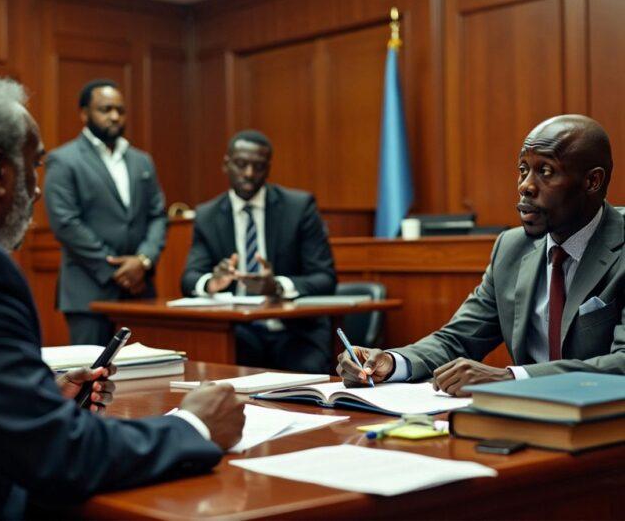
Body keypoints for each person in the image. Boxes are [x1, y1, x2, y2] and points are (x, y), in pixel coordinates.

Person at [0, 71, 244, 520]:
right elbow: (58, 456)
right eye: (33, 166)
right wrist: (192, 425)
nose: (37, 189)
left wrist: (32, 400)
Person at [338, 114, 625, 395]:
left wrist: (511, 377)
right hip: (528, 418)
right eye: (523, 169)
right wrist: (391, 363)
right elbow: (458, 339)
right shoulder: (512, 248)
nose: (525, 186)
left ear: (592, 182)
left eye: (546, 171)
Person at [181, 129, 337, 373]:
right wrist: (213, 282)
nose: (249, 174)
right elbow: (189, 279)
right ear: (226, 164)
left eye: (258, 167)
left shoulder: (298, 207)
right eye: (241, 165)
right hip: (238, 334)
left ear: (269, 168)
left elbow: (325, 278)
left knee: (306, 385)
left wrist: (276, 287)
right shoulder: (208, 215)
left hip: (295, 333)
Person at [44, 79, 167, 345]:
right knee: (91, 379)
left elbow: (158, 214)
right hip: (89, 292)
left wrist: (142, 261)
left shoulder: (141, 160)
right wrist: (117, 271)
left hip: (140, 291)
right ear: (84, 113)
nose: (114, 116)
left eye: (120, 110)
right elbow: (65, 223)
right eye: (105, 109)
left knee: (146, 377)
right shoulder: (64, 160)